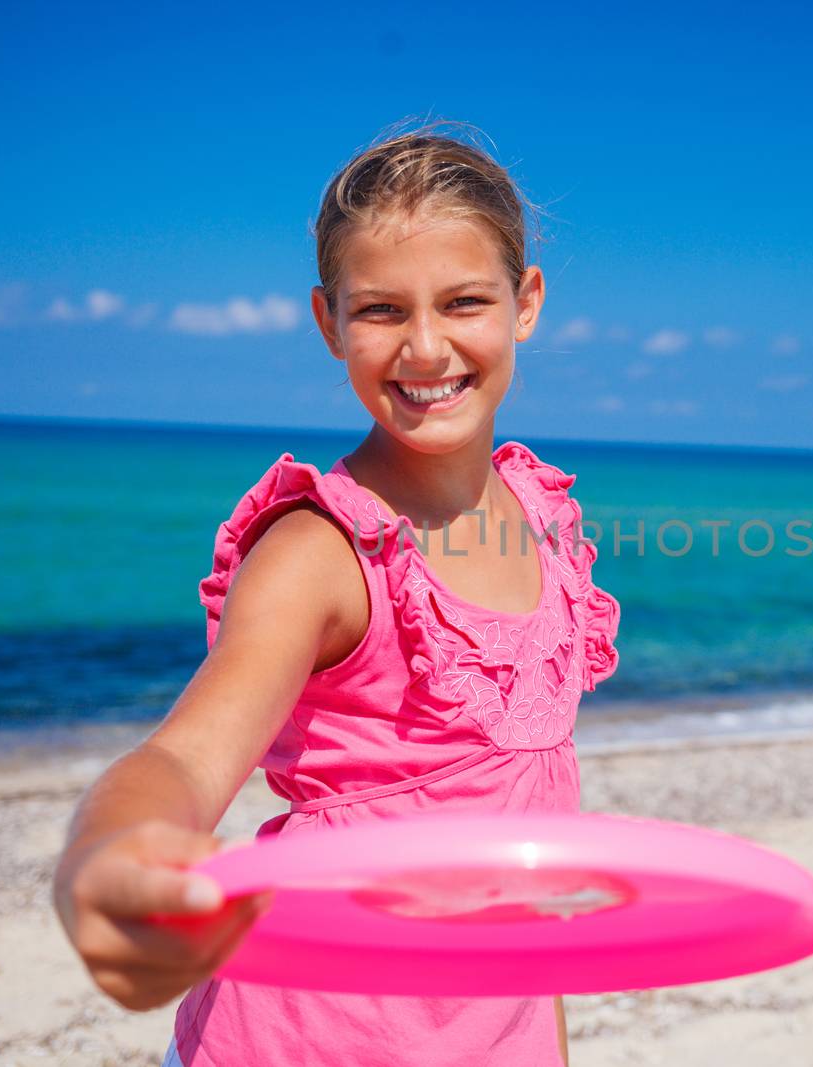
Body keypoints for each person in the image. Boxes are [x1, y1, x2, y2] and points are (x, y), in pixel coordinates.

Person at [50, 121, 623, 1066]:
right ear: (329, 322)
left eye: (464, 301)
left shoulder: (546, 518)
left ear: (526, 304)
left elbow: (530, 855)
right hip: (301, 1037)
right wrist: (113, 861)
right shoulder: (322, 553)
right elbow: (186, 762)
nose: (427, 347)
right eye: (383, 311)